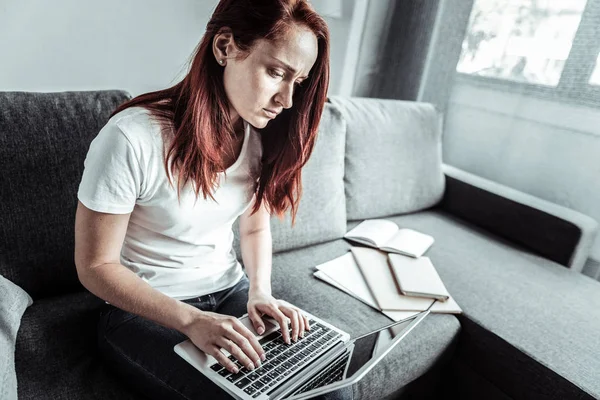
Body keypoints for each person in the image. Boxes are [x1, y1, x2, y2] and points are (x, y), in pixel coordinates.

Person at [74, 0, 352, 399]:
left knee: (330, 385)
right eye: (276, 72)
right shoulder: (131, 138)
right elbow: (95, 266)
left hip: (228, 289)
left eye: (300, 81)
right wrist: (191, 320)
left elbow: (254, 227)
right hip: (144, 310)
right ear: (224, 47)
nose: (287, 100)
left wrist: (261, 291)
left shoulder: (259, 137)